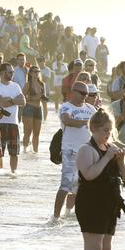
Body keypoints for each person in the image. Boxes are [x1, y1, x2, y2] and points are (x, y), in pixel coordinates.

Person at [75, 109, 125, 250]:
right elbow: (89, 175)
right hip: (90, 204)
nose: (108, 134)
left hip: (109, 205)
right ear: (94, 129)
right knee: (93, 248)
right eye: (105, 130)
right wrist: (106, 157)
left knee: (105, 249)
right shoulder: (86, 150)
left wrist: (121, 161)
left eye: (110, 130)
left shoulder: (110, 148)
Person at [51, 81, 97, 222]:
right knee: (66, 184)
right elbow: (67, 121)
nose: (85, 96)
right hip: (70, 151)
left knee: (79, 186)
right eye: (82, 93)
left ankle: (68, 213)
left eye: (87, 94)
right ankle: (55, 218)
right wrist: (87, 122)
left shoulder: (91, 108)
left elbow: (100, 125)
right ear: (74, 92)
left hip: (88, 152)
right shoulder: (66, 107)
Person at [0, 63, 26, 174]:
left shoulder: (15, 86)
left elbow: (23, 101)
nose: (13, 74)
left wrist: (11, 101)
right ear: (2, 72)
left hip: (14, 123)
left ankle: (13, 173)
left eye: (13, 72)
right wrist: (14, 100)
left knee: (14, 152)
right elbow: (1, 102)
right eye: (10, 72)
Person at [21, 65, 47, 153]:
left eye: (38, 71)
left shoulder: (42, 84)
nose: (37, 73)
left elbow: (43, 99)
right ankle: (24, 150)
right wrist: (34, 97)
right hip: (28, 107)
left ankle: (35, 152)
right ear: (31, 73)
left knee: (37, 133)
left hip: (38, 109)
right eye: (35, 71)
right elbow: (22, 98)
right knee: (28, 131)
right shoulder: (28, 84)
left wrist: (45, 112)